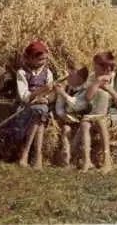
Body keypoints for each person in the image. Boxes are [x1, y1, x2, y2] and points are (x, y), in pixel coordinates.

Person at [80, 51, 117, 173]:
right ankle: (87, 161)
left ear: (106, 68)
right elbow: (87, 98)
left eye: (96, 65)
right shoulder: (92, 77)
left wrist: (110, 90)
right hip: (94, 112)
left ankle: (107, 160)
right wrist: (97, 83)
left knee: (101, 122)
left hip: (112, 113)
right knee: (85, 125)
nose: (93, 67)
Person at [13, 41, 54, 169]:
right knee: (39, 115)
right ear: (31, 59)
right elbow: (24, 96)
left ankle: (25, 155)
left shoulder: (48, 73)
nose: (43, 62)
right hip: (26, 106)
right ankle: (37, 157)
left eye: (45, 59)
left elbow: (51, 94)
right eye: (40, 59)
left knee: (40, 112)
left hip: (42, 106)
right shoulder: (22, 73)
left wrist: (46, 98)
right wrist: (40, 93)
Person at [54, 66, 91, 167]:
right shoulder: (67, 88)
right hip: (69, 119)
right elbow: (59, 107)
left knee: (81, 131)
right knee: (66, 129)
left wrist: (63, 94)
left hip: (83, 120)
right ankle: (66, 157)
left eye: (71, 75)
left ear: (80, 78)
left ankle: (73, 156)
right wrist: (63, 115)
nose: (67, 78)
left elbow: (77, 105)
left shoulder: (87, 90)